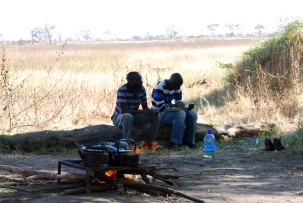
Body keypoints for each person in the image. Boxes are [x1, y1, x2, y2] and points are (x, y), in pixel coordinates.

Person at [112, 72, 160, 147]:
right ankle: (126, 144)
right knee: (128, 116)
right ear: (131, 81)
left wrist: (151, 112)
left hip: (133, 116)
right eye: (138, 80)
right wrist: (143, 111)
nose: (141, 82)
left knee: (156, 117)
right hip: (119, 117)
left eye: (141, 80)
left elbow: (145, 108)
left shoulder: (142, 89)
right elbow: (123, 111)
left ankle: (149, 143)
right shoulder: (123, 89)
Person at [151, 73, 199, 150]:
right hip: (158, 114)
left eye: (180, 85)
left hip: (170, 110)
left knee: (193, 114)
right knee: (181, 114)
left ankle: (189, 141)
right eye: (178, 85)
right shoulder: (159, 88)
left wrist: (185, 107)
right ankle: (174, 143)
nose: (179, 88)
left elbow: (178, 102)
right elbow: (161, 108)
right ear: (171, 83)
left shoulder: (176, 87)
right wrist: (176, 106)